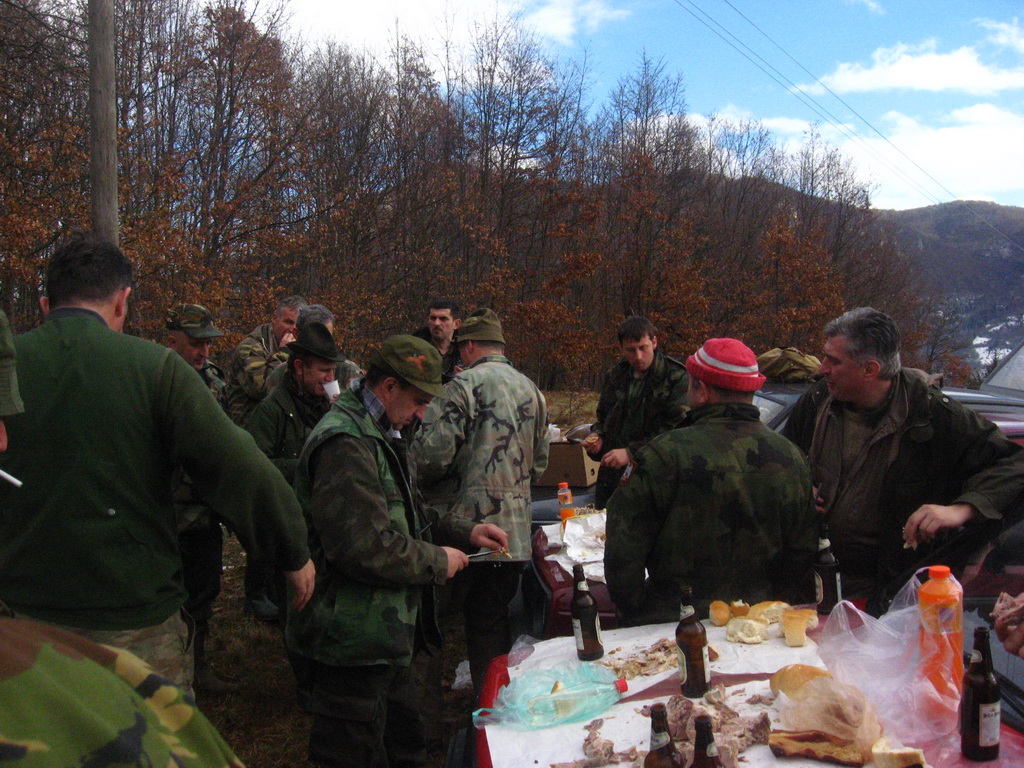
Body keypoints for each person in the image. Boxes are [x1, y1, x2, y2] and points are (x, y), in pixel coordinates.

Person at [0, 232, 315, 691]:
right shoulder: (157, 370)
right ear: (123, 301)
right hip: (133, 624)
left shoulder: (11, 366)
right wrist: (292, 548)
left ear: (48, 302)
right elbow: (236, 464)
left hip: (20, 625)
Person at [286, 334, 508, 768]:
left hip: (385, 633)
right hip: (349, 641)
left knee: (404, 745)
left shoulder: (382, 431)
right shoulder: (345, 444)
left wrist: (466, 532)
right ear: (388, 387)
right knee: (351, 753)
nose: (424, 413)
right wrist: (436, 561)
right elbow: (363, 547)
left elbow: (408, 510)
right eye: (420, 400)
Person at [782, 307, 1024, 604]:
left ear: (870, 369)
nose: (822, 368)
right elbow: (782, 460)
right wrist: (798, 486)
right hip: (814, 577)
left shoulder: (932, 414)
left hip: (888, 591)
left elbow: (1015, 464)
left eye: (834, 360)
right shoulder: (818, 400)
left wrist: (962, 509)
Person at [604, 338, 817, 625]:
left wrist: (636, 608)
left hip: (676, 621)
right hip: (760, 623)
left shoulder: (662, 454)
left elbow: (623, 548)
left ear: (701, 390)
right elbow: (802, 551)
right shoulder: (791, 456)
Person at [411, 308, 549, 693]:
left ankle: (430, 720)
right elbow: (539, 466)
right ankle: (495, 706)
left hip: (464, 529)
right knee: (491, 621)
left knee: (434, 621)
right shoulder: (533, 391)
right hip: (514, 533)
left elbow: (429, 458)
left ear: (469, 345)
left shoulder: (462, 386)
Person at [244, 321, 341, 621]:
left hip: (321, 521)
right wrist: (307, 466)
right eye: (324, 371)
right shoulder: (272, 410)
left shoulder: (329, 405)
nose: (330, 378)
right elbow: (254, 467)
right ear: (299, 367)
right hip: (286, 522)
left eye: (332, 371)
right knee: (293, 604)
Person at [164, 303, 232, 691]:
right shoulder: (154, 380)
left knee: (204, 591)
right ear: (172, 342)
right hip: (165, 511)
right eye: (195, 344)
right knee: (168, 593)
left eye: (208, 344)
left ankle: (198, 669)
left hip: (204, 510)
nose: (203, 351)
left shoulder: (215, 383)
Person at [585, 315, 689, 509]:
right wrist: (598, 437)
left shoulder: (675, 377)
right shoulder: (616, 376)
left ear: (654, 342)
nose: (638, 356)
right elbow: (603, 418)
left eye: (643, 348)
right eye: (631, 350)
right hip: (613, 480)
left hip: (655, 479)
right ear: (621, 349)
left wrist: (631, 453)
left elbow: (675, 433)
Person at [224, 294, 306, 424]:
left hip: (279, 424)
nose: (292, 330)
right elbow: (263, 389)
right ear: (274, 318)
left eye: (297, 326)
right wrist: (284, 354)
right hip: (249, 426)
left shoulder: (299, 347)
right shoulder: (250, 348)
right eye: (288, 322)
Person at [265, 303, 362, 393]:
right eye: (317, 338)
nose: (323, 343)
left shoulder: (350, 372)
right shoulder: (282, 374)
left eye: (328, 336)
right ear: (296, 334)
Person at [412, 299, 462, 384]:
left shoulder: (465, 351)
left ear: (456, 324)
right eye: (433, 318)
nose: (436, 323)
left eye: (443, 319)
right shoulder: (415, 348)